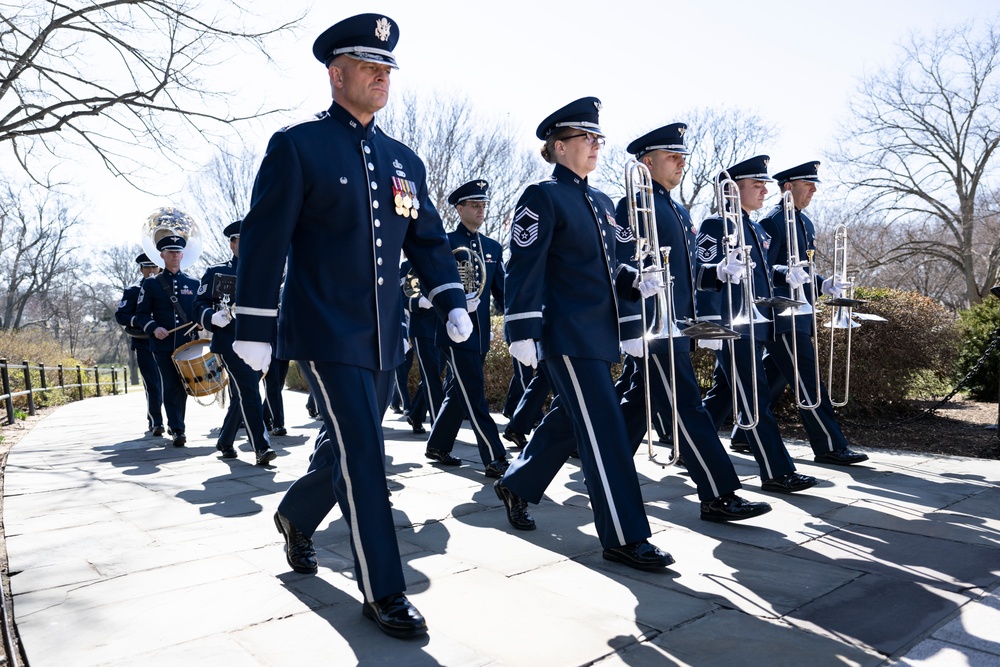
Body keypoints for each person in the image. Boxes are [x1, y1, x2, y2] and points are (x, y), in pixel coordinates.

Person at [232, 14, 472, 640]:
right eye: (369, 66)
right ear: (336, 74)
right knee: (366, 448)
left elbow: (428, 241)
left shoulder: (403, 160)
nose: (381, 76)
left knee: (346, 445)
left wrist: (451, 300)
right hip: (324, 329)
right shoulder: (298, 145)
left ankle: (295, 516)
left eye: (387, 67)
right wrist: (254, 324)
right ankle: (382, 589)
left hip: (386, 335)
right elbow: (264, 238)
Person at [497, 96, 674, 571]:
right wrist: (522, 328)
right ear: (557, 147)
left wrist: (637, 284)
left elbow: (616, 267)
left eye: (599, 138)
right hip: (567, 333)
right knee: (606, 431)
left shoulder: (599, 202)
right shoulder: (543, 196)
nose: (597, 145)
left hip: (601, 335)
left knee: (573, 421)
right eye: (586, 137)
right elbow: (525, 266)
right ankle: (624, 535)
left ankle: (518, 484)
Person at [615, 124, 773, 522]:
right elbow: (624, 269)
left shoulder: (677, 208)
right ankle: (718, 494)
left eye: (683, 156)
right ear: (647, 162)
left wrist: (718, 271)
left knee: (637, 405)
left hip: (675, 324)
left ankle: (552, 474)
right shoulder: (632, 205)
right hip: (653, 326)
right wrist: (634, 326)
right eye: (673, 157)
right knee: (689, 407)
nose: (682, 163)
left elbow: (683, 273)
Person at [727, 161, 868, 465]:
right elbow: (762, 270)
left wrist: (823, 284)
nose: (814, 190)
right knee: (809, 380)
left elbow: (802, 271)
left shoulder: (805, 223)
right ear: (788, 187)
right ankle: (829, 445)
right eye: (808, 184)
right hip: (781, 316)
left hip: (799, 313)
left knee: (769, 376)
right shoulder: (773, 221)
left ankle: (741, 433)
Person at [696, 156, 818, 494]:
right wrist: (708, 323)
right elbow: (702, 273)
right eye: (756, 184)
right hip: (731, 326)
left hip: (755, 324)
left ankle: (690, 445)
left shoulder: (756, 227)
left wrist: (787, 274)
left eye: (764, 183)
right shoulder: (717, 224)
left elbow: (762, 274)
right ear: (733, 189)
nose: (765, 189)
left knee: (733, 395)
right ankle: (777, 472)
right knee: (755, 397)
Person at [423, 179, 509, 477]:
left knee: (459, 392)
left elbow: (502, 293)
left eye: (483, 205)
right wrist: (451, 307)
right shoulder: (445, 244)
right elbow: (429, 285)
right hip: (454, 333)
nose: (481, 210)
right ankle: (494, 455)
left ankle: (437, 445)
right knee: (474, 394)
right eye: (474, 205)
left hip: (481, 334)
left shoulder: (493, 247)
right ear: (459, 209)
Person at [194, 220, 278, 465]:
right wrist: (211, 317)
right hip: (230, 341)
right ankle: (261, 446)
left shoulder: (263, 272)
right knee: (250, 390)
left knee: (244, 392)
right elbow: (198, 305)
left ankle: (225, 440)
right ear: (232, 244)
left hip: (259, 341)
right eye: (242, 240)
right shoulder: (216, 272)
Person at [134, 228, 200, 448]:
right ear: (161, 255)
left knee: (184, 387)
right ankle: (179, 430)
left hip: (188, 344)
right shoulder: (151, 284)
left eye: (178, 252)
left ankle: (175, 423)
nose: (174, 255)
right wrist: (153, 328)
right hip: (162, 345)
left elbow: (199, 311)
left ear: (183, 255)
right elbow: (141, 314)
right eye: (169, 251)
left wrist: (201, 320)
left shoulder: (194, 283)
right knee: (170, 385)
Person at [115, 253, 165, 436]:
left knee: (168, 384)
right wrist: (142, 321)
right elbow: (121, 315)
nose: (151, 271)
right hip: (144, 342)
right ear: (141, 269)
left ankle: (174, 423)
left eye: (154, 267)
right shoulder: (133, 290)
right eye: (147, 267)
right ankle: (156, 421)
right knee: (152, 383)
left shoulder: (166, 287)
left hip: (167, 341)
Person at [400, 257, 441, 434]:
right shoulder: (410, 264)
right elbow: (403, 297)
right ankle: (439, 427)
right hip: (422, 328)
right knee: (432, 378)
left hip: (442, 327)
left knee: (432, 375)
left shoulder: (445, 261)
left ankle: (415, 415)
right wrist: (418, 303)